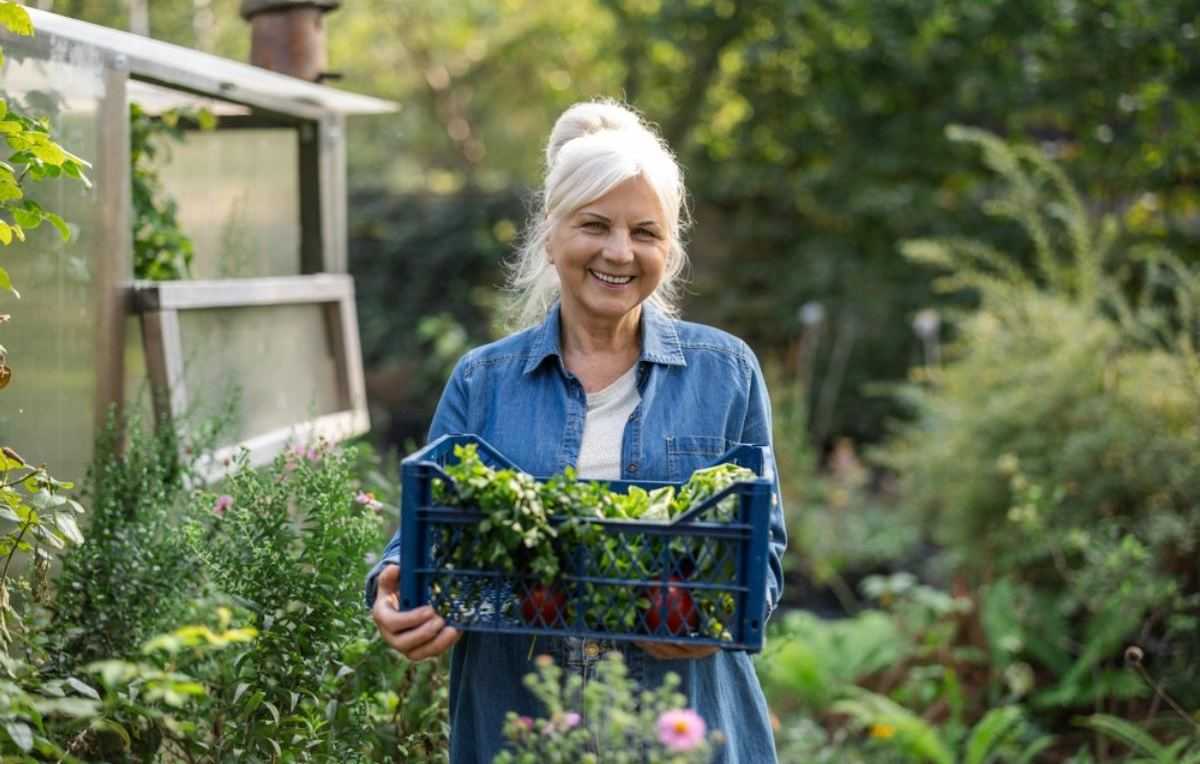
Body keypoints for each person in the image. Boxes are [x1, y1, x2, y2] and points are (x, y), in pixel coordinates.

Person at [365, 99, 787, 764]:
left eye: (645, 233)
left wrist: (718, 621)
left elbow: (761, 557)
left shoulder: (726, 374)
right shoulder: (485, 381)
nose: (620, 253)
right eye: (595, 225)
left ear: (668, 249)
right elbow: (422, 534)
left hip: (682, 731)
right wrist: (392, 586)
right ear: (550, 235)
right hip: (519, 724)